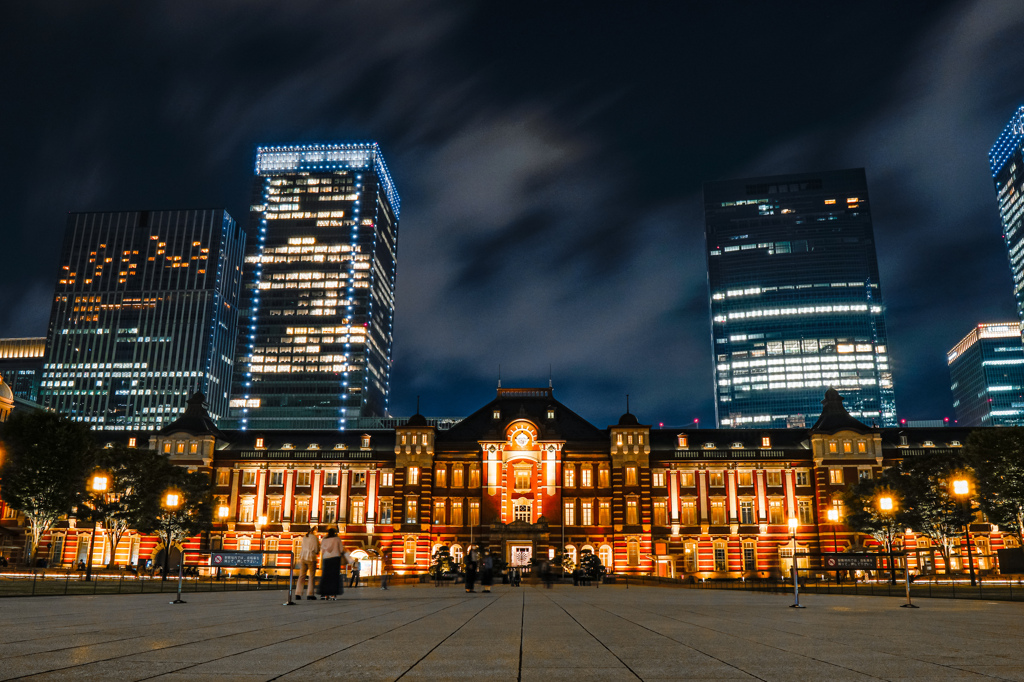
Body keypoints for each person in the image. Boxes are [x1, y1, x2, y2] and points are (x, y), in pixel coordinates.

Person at [318, 527, 346, 600]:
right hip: (335, 558)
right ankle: (333, 594)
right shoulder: (337, 539)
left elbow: (322, 550)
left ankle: (324, 594)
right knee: (334, 576)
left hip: (326, 559)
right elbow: (341, 549)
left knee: (326, 576)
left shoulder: (324, 540)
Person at [296, 528, 321, 600]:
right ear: (314, 531)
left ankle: (298, 593)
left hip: (303, 557)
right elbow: (316, 549)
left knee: (301, 576)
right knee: (311, 576)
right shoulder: (314, 538)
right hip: (311, 557)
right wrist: (317, 551)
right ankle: (310, 594)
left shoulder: (304, 537)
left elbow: (302, 546)